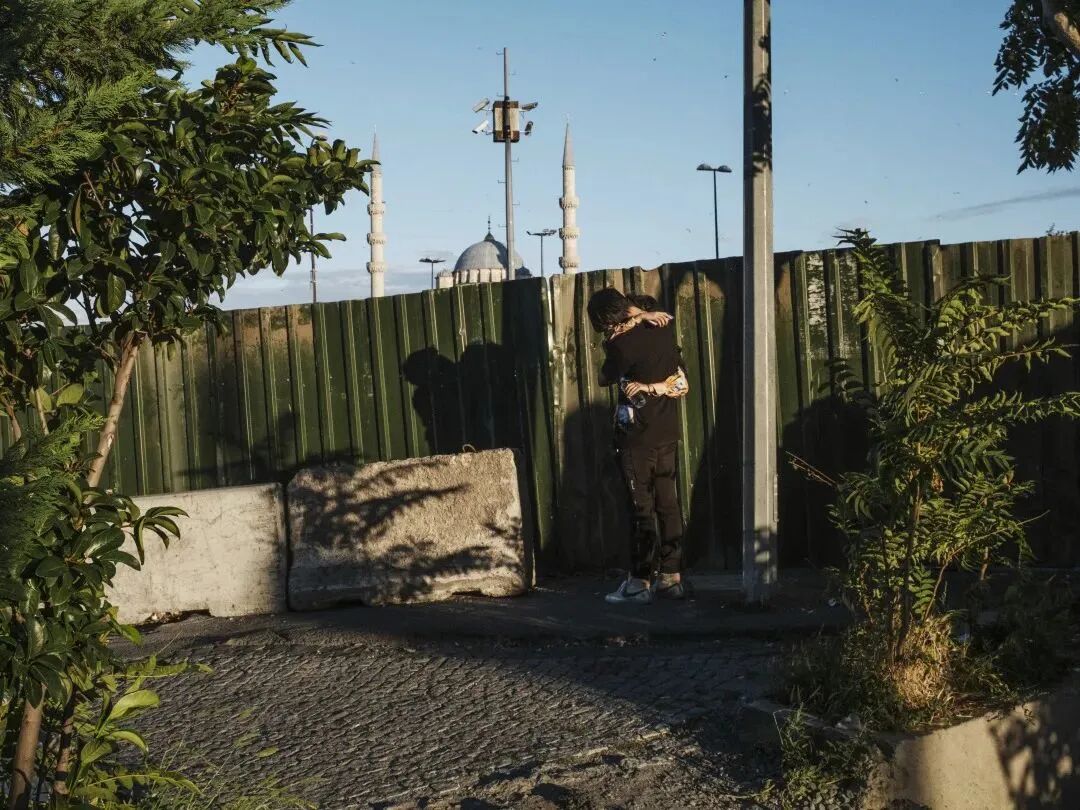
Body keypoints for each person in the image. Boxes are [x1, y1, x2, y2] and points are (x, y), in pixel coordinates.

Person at [587, 287, 690, 604]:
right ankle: (671, 577)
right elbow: (680, 378)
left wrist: (617, 337)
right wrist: (641, 317)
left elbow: (605, 377)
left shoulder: (621, 345)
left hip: (636, 439)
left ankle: (639, 582)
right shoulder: (663, 330)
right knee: (668, 505)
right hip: (667, 432)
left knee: (640, 510)